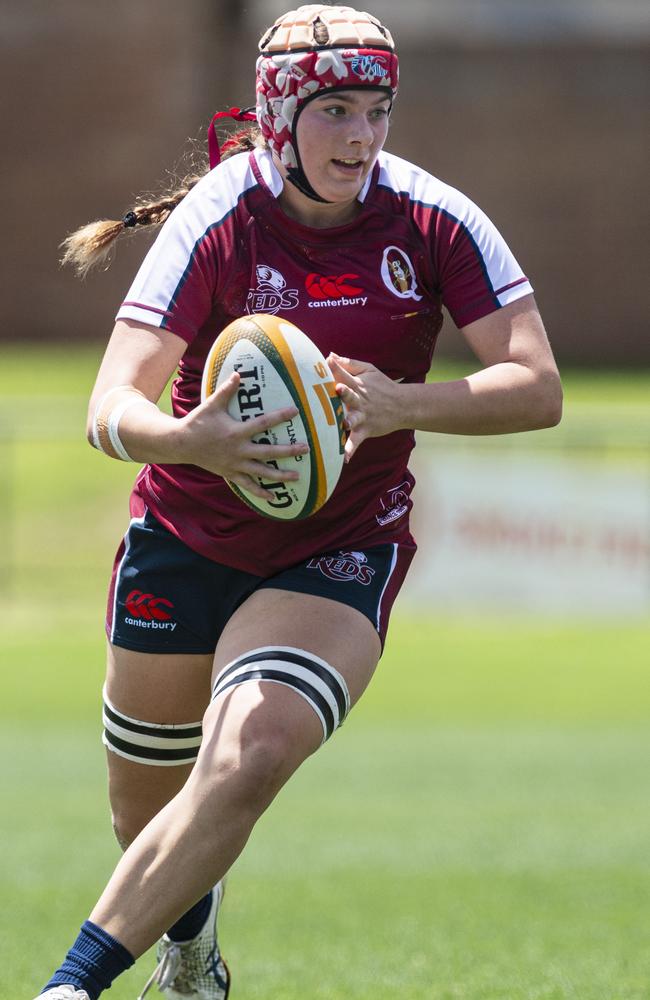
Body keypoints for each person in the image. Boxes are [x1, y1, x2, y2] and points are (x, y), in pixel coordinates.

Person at [37, 5, 562, 998]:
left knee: (253, 746)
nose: (359, 136)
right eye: (333, 111)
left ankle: (72, 983)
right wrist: (189, 439)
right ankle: (191, 955)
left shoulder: (432, 218)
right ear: (280, 116)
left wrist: (402, 401)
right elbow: (108, 406)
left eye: (375, 110)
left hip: (337, 547)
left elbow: (535, 386)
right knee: (142, 812)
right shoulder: (217, 220)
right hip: (184, 535)